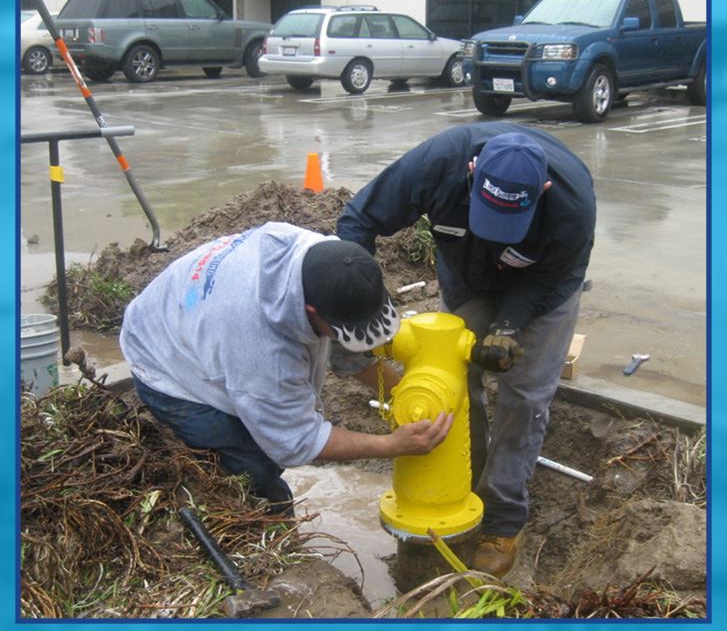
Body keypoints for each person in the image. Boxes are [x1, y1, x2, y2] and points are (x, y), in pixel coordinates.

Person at [336, 122, 596, 577]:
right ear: (472, 172)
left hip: (542, 292)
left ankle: (503, 518)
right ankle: (462, 486)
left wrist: (510, 325)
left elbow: (553, 277)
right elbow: (358, 221)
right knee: (456, 383)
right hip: (467, 277)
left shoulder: (572, 206)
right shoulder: (438, 163)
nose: (499, 234)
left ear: (544, 190)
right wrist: (368, 305)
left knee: (526, 396)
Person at [119, 222, 453, 514]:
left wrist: (403, 392)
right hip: (161, 358)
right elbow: (296, 442)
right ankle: (270, 543)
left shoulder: (323, 257)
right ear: (309, 309)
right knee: (253, 468)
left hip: (188, 310)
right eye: (338, 330)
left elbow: (347, 351)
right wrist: (391, 446)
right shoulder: (263, 352)